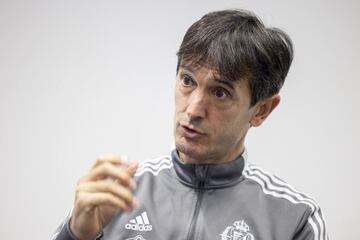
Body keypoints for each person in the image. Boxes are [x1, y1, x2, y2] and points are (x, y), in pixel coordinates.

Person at [51, 9, 328, 240]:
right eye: (187, 80)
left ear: (262, 110)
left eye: (220, 92)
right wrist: (77, 235)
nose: (193, 109)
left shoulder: (296, 218)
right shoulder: (116, 193)